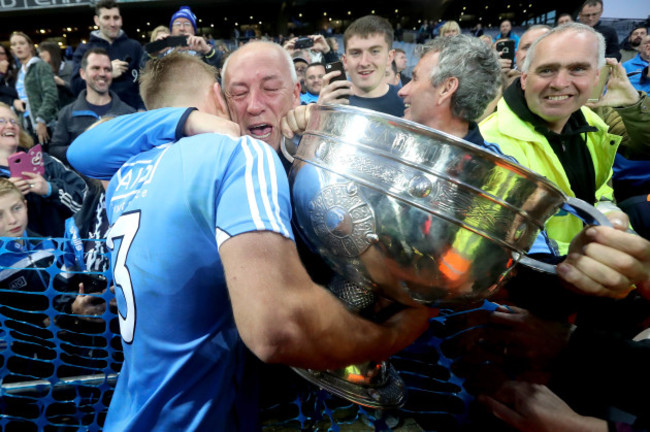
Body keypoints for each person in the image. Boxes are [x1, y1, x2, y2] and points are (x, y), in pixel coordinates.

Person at [67, 53, 429, 432]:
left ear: (296, 94)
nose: (254, 104)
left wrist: (316, 142)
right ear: (219, 98)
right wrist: (391, 338)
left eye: (271, 89)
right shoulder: (239, 156)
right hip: (211, 412)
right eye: (238, 93)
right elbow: (275, 331)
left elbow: (82, 151)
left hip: (140, 410)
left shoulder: (126, 173)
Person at [479, 23, 624, 256]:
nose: (560, 83)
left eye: (578, 69)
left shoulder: (593, 124)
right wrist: (584, 258)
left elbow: (601, 194)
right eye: (546, 70)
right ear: (524, 77)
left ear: (596, 76)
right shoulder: (491, 144)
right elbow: (513, 248)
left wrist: (611, 220)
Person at [0, 102, 86, 238]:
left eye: (13, 121)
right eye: (1, 121)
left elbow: (86, 202)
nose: (10, 126)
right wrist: (5, 195)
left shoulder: (45, 161)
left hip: (61, 252)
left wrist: (50, 189)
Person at [49, 48, 135, 165]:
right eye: (96, 68)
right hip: (80, 182)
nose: (102, 74)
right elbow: (55, 150)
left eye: (107, 69)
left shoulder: (128, 114)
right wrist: (82, 151)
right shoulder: (68, 113)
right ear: (83, 73)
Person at [318, 15, 404, 117]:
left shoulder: (408, 104)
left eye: (375, 51)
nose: (364, 63)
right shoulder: (331, 103)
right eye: (355, 53)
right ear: (345, 60)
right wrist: (318, 116)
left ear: (389, 57)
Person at [70, 0, 145, 111]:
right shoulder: (84, 50)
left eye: (116, 18)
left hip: (132, 115)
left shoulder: (135, 47)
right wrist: (107, 72)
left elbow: (145, 82)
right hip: (97, 116)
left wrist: (142, 107)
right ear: (97, 20)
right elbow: (75, 87)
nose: (112, 24)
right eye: (106, 18)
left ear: (121, 20)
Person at [9, 32, 58, 146]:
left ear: (30, 47)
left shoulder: (40, 66)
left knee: (46, 158)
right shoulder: (19, 71)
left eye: (21, 43)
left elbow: (51, 94)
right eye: (14, 44)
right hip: (26, 123)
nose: (18, 47)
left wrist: (41, 120)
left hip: (43, 123)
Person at [38, 41, 75, 108]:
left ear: (52, 52)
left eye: (42, 51)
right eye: (39, 52)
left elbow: (79, 90)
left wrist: (62, 83)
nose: (40, 54)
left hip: (72, 110)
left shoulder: (70, 67)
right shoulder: (42, 72)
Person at [0, 42, 18, 107]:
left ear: (7, 56)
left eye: (2, 53)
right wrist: (1, 73)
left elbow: (18, 92)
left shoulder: (16, 72)